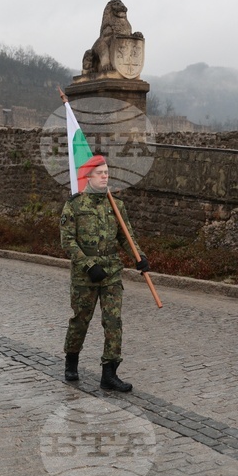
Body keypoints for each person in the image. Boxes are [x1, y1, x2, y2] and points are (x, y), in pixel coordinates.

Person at [61, 155, 149, 393]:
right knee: (80, 319)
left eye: (107, 172)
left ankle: (109, 373)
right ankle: (71, 362)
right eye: (100, 173)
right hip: (85, 274)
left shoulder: (116, 205)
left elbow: (126, 236)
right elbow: (67, 241)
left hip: (111, 272)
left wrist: (139, 257)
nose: (105, 176)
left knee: (113, 322)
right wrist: (88, 265)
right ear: (88, 177)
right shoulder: (75, 205)